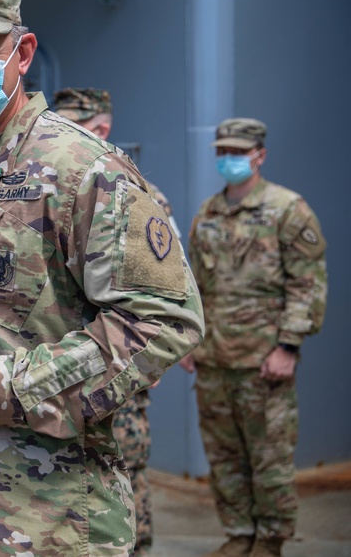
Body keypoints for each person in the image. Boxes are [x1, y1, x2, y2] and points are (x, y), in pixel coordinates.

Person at [0, 0, 205, 557]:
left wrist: (12, 386)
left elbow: (163, 319)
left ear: (22, 52)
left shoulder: (82, 166)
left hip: (42, 511)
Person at [181, 118, 326, 557]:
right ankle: (239, 534)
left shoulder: (288, 209)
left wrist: (288, 347)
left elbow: (308, 283)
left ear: (260, 155)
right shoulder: (207, 213)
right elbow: (194, 286)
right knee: (224, 459)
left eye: (238, 153)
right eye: (222, 152)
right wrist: (190, 340)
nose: (229, 160)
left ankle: (271, 540)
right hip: (213, 360)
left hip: (264, 362)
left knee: (269, 460)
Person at [53, 87, 177, 557]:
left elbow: (161, 297)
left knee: (125, 464)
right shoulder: (57, 185)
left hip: (116, 364)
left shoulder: (135, 193)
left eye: (68, 125)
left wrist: (153, 360)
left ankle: (136, 547)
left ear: (99, 128)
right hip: (63, 365)